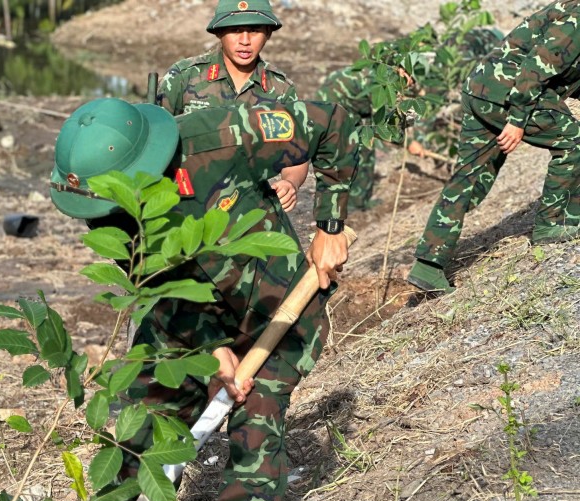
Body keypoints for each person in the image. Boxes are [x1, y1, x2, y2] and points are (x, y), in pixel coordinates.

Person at [49, 97, 356, 501]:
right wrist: (214, 353)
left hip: (276, 311)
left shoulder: (226, 133)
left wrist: (330, 224)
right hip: (188, 323)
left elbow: (333, 122)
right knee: (138, 431)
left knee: (254, 439)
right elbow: (164, 293)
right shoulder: (115, 214)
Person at [410, 0, 580, 294]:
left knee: (468, 178)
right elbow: (537, 66)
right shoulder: (577, 17)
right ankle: (554, 222)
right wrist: (516, 120)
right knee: (572, 141)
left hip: (482, 90)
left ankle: (428, 266)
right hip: (510, 93)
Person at [314, 27, 504, 212]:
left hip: (350, 106)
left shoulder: (394, 75)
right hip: (333, 107)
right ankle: (344, 206)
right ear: (402, 70)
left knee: (362, 152)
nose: (412, 83)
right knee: (354, 152)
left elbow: (406, 115)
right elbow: (384, 126)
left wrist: (413, 134)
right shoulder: (382, 83)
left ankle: (358, 202)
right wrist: (409, 143)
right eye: (411, 78)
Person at [158, 0, 308, 213]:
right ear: (219, 33)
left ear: (268, 33)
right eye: (235, 30)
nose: (245, 41)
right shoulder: (184, 77)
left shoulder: (280, 89)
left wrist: (290, 183)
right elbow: (154, 141)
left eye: (255, 30)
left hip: (251, 206)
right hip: (184, 201)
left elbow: (296, 153)